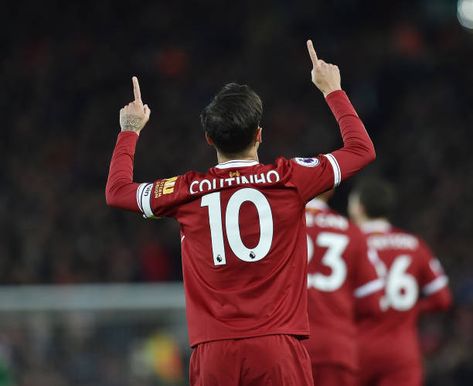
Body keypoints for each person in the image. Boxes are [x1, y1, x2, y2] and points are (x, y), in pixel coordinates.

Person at [105, 40, 376, 386]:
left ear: (208, 139)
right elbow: (360, 149)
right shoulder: (290, 178)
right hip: (278, 346)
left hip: (214, 351)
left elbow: (117, 192)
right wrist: (332, 90)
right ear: (260, 135)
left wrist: (129, 130)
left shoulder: (185, 191)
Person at [348, 178, 452, 386]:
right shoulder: (414, 244)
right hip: (402, 352)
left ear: (360, 207)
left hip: (357, 348)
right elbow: (443, 299)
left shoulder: (350, 242)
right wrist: (412, 308)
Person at [304, 190, 383, 386]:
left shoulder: (276, 224)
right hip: (336, 347)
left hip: (287, 346)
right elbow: (373, 303)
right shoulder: (352, 232)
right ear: (331, 190)